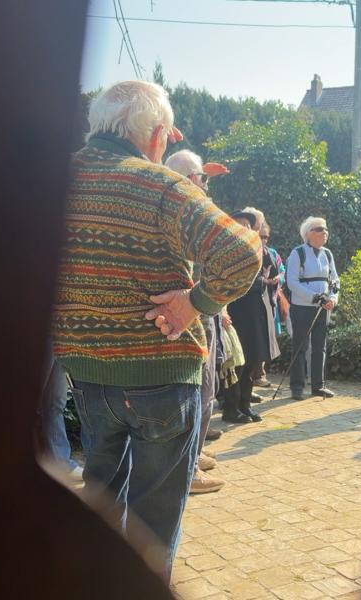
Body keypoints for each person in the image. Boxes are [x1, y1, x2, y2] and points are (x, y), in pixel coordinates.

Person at [52, 80, 261, 578]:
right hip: (164, 374)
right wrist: (197, 302)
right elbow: (242, 251)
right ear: (157, 134)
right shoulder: (160, 185)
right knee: (152, 527)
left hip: (87, 378)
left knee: (100, 507)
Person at [164, 149, 231, 495]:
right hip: (190, 315)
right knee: (201, 392)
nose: (206, 187)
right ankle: (188, 470)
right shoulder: (186, 209)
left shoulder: (163, 203)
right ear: (191, 181)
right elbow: (234, 253)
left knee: (202, 392)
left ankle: (193, 454)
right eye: (202, 180)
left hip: (186, 313)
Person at [221, 209, 276, 424]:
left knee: (252, 361)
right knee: (236, 364)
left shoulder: (256, 249)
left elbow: (269, 271)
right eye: (240, 224)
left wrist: (262, 279)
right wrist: (261, 281)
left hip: (255, 313)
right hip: (235, 314)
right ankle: (230, 408)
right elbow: (233, 282)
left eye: (248, 225)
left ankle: (245, 405)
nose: (245, 228)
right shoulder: (225, 250)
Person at [285, 217, 340, 400]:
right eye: (320, 229)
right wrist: (314, 297)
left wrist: (332, 298)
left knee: (320, 347)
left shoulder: (328, 254)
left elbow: (335, 280)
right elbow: (291, 282)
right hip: (302, 307)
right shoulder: (297, 253)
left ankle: (318, 386)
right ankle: (297, 387)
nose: (325, 232)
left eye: (326, 229)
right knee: (300, 346)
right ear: (308, 233)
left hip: (323, 308)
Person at [39, 349, 83, 480]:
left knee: (55, 404)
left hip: (60, 337)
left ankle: (61, 464)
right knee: (29, 400)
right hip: (36, 334)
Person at [251, 222, 285, 387]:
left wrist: (278, 279)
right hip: (251, 303)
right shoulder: (248, 252)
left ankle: (260, 373)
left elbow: (282, 270)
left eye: (266, 237)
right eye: (260, 236)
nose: (263, 240)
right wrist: (263, 280)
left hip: (269, 301)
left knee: (266, 336)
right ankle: (253, 377)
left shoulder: (272, 253)